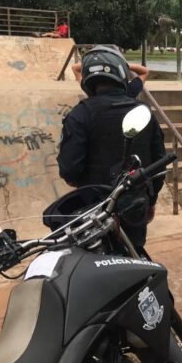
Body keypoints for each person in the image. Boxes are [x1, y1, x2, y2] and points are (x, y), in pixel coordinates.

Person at [57, 46, 166, 249]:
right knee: (134, 252)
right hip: (135, 203)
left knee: (93, 256)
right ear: (121, 73)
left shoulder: (80, 114)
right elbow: (159, 162)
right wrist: (152, 200)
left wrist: (75, 179)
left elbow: (69, 169)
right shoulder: (143, 111)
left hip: (93, 208)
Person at [72, 59, 149, 98]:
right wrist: (123, 65)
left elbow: (75, 68)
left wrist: (97, 63)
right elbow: (145, 72)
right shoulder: (128, 90)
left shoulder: (92, 91)